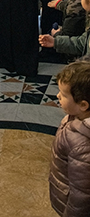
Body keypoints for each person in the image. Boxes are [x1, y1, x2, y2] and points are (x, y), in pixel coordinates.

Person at [48, 59, 90, 216]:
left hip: (68, 200)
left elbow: (82, 195)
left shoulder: (82, 146)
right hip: (63, 184)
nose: (58, 95)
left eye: (64, 94)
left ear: (83, 105)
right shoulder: (76, 116)